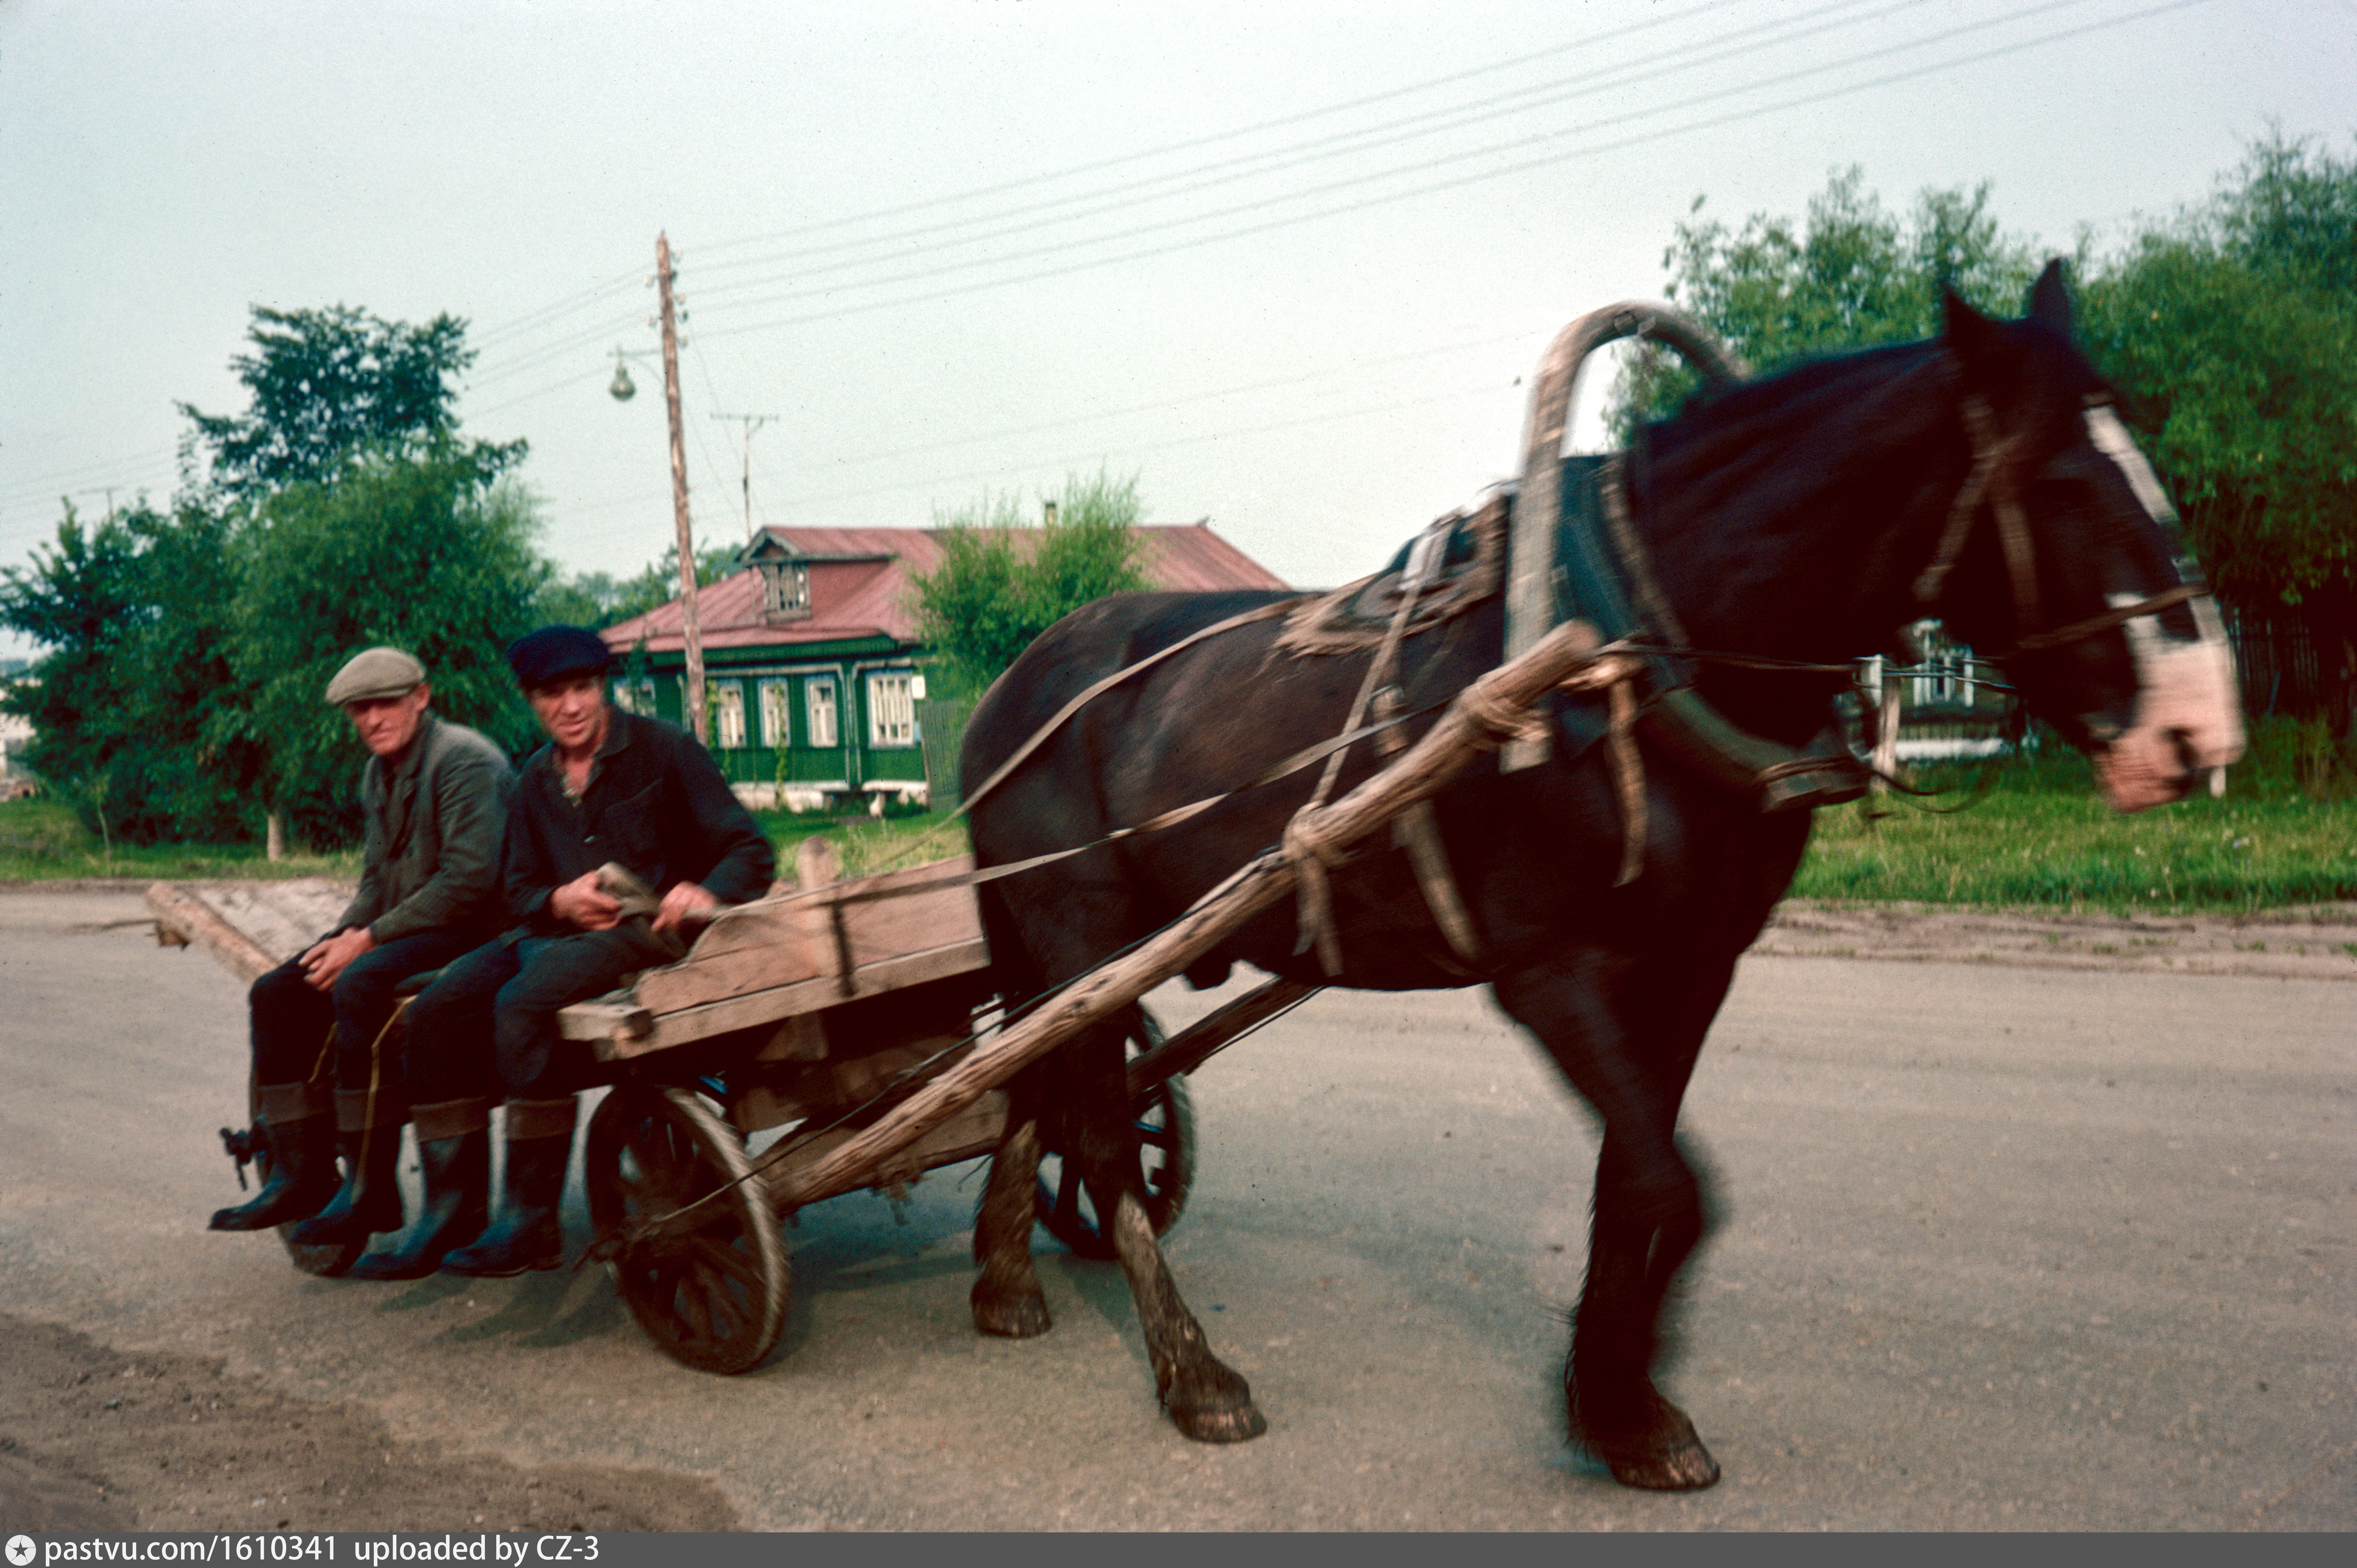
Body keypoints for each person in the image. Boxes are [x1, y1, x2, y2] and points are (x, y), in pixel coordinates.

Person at [367, 625, 776, 1280]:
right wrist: (559, 901)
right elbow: (517, 888)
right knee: (437, 1008)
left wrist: (705, 887)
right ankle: (450, 1213)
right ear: (533, 700)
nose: (572, 707)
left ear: (603, 687)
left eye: (583, 688)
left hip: (649, 936)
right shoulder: (534, 778)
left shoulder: (665, 751)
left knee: (522, 1000)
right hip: (551, 934)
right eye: (552, 694)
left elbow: (751, 850)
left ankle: (531, 1219)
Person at [210, 647, 515, 1250]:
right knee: (278, 990)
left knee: (360, 982)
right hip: (415, 926)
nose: (373, 720)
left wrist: (367, 942)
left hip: (478, 927)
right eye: (360, 711)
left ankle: (373, 1186)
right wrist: (342, 937)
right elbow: (377, 880)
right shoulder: (379, 773)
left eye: (385, 704)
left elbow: (468, 883)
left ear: (421, 698)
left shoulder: (464, 761)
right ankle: (301, 1174)